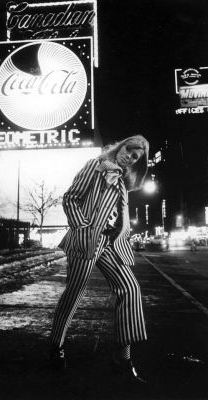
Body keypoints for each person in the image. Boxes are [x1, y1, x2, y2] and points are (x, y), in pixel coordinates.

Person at [49, 135, 149, 382]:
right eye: (129, 150)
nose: (129, 157)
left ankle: (123, 359)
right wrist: (82, 228)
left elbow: (117, 214)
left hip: (111, 244)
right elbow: (71, 198)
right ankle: (55, 346)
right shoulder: (95, 166)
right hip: (87, 239)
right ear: (121, 145)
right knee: (75, 292)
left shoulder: (123, 181)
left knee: (130, 289)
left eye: (135, 157)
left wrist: (122, 235)